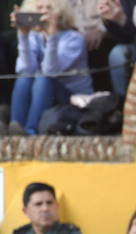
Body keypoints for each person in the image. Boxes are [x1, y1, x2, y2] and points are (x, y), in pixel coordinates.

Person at [8, 0, 92, 136]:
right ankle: (16, 125)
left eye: (49, 8)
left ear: (60, 13)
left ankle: (31, 130)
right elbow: (25, 69)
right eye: (39, 8)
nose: (44, 12)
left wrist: (52, 36)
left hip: (72, 98)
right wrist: (23, 35)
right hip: (44, 93)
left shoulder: (74, 38)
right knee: (24, 79)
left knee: (43, 79)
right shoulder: (34, 36)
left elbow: (50, 72)